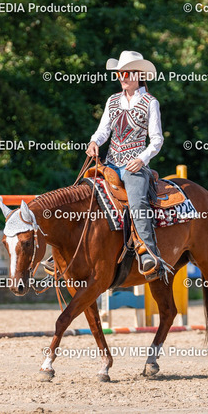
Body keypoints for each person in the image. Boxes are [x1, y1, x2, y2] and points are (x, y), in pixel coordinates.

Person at [86, 50, 164, 275]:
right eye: (119, 73)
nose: (122, 77)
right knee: (83, 192)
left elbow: (157, 140)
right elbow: (103, 130)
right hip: (110, 162)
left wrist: (141, 160)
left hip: (135, 164)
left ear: (139, 75)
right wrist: (94, 142)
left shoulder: (150, 102)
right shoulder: (112, 101)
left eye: (127, 73)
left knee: (138, 202)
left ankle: (148, 252)